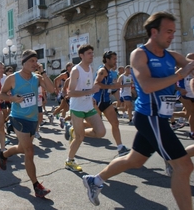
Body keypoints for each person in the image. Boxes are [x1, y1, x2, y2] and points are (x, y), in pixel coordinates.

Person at [82, 12, 194, 209]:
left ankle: (95, 180)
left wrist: (187, 75)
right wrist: (180, 74)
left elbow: (190, 68)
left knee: (134, 160)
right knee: (184, 166)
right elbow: (147, 85)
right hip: (149, 116)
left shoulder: (172, 56)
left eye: (174, 32)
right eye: (168, 31)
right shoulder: (140, 54)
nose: (172, 36)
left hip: (161, 117)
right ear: (154, 31)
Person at [0, 50, 54, 198]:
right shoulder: (13, 78)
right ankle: (37, 186)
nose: (35, 64)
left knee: (22, 148)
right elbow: (1, 95)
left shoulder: (37, 78)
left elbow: (52, 89)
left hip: (33, 119)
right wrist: (13, 98)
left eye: (36, 61)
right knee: (29, 151)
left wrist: (44, 73)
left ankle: (2, 154)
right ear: (24, 62)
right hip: (18, 118)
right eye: (32, 61)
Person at [64, 44, 104, 172]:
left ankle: (74, 132)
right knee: (80, 138)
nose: (92, 55)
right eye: (89, 53)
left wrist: (91, 96)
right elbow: (70, 93)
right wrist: (89, 92)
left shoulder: (91, 69)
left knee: (101, 132)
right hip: (77, 108)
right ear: (81, 55)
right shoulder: (76, 70)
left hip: (88, 106)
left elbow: (88, 87)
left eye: (92, 53)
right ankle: (69, 161)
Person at [92, 51, 130, 157]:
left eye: (116, 59)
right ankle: (74, 129)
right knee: (94, 127)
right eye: (114, 59)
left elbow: (113, 89)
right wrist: (112, 86)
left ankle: (120, 147)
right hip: (97, 102)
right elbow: (97, 83)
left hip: (106, 101)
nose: (115, 61)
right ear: (107, 60)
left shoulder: (112, 73)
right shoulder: (102, 71)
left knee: (115, 123)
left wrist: (119, 99)